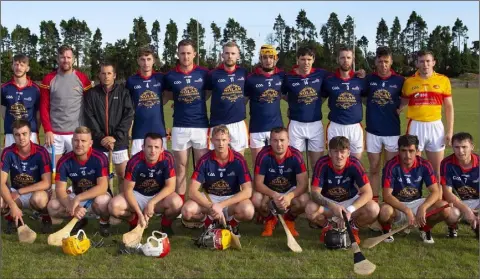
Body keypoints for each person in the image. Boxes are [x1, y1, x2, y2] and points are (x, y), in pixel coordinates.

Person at [181, 125, 254, 235]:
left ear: (229, 140)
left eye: (224, 140)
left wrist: (221, 205)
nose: (221, 144)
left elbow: (248, 191)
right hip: (210, 199)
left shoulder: (239, 160)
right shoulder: (204, 160)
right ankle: (208, 222)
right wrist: (211, 206)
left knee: (248, 211)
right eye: (217, 140)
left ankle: (232, 224)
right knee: (187, 211)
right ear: (211, 141)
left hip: (231, 199)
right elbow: (192, 191)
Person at [305, 136, 379, 244]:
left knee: (374, 209)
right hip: (329, 205)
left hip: (349, 202)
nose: (339, 156)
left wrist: (350, 210)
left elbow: (368, 193)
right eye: (335, 152)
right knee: (310, 209)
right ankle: (328, 227)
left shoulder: (355, 164)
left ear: (348, 153)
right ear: (329, 153)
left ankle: (353, 228)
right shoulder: (322, 163)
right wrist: (332, 206)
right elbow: (315, 193)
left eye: (342, 152)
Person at [378, 134, 450, 244]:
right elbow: (387, 195)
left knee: (444, 208)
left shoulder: (424, 165)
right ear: (398, 150)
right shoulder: (391, 165)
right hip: (397, 205)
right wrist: (406, 210)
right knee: (384, 211)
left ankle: (424, 228)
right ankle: (387, 229)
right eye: (403, 150)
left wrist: (423, 207)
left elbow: (435, 191)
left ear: (417, 150)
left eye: (411, 151)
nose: (407, 155)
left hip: (416, 202)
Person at [399, 50, 454, 189]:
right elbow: (402, 103)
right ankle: (412, 200)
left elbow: (449, 107)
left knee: (438, 170)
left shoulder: (443, 80)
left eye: (428, 61)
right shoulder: (409, 82)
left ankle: (440, 203)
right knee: (412, 168)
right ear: (417, 63)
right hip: (416, 126)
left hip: (435, 126)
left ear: (433, 62)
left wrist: (450, 131)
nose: (425, 64)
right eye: (422, 61)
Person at [163, 39, 210, 202]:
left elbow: (208, 93)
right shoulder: (170, 75)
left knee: (201, 167)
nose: (186, 56)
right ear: (178, 54)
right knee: (181, 167)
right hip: (180, 127)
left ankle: (201, 202)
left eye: (189, 53)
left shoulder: (204, 73)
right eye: (182, 53)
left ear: (194, 54)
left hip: (201, 126)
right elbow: (168, 96)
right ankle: (181, 204)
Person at [108, 133, 182, 235]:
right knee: (114, 206)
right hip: (137, 195)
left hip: (158, 195)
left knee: (177, 203)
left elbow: (171, 186)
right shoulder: (134, 162)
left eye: (156, 147)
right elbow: (128, 190)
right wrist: (139, 214)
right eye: (149, 146)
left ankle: (165, 225)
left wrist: (152, 202)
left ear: (162, 149)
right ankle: (134, 221)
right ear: (143, 147)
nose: (153, 150)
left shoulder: (167, 158)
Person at [46, 126, 112, 237]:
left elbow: (102, 187)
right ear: (72, 141)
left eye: (83, 141)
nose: (79, 144)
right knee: (53, 206)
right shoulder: (64, 161)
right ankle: (78, 219)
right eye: (76, 140)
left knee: (103, 201)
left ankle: (104, 223)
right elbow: (60, 190)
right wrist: (74, 207)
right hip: (77, 195)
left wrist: (78, 198)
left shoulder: (100, 157)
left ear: (90, 143)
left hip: (96, 197)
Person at [84, 62, 134, 192]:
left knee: (123, 176)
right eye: (103, 73)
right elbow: (89, 117)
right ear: (99, 75)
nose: (106, 76)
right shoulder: (92, 94)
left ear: (114, 75)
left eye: (109, 73)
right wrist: (102, 138)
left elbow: (128, 115)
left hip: (119, 143)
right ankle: (103, 208)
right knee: (100, 179)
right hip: (99, 144)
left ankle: (122, 206)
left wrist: (115, 137)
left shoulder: (124, 92)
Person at [364, 46, 405, 203]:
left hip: (392, 132)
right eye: (380, 62)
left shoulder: (400, 80)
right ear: (376, 61)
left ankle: (390, 203)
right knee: (374, 168)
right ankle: (374, 202)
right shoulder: (369, 79)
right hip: (373, 131)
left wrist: (401, 107)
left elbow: (408, 96)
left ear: (391, 62)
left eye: (386, 62)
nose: (383, 65)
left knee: (390, 170)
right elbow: (359, 95)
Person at [252, 127, 309, 237]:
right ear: (270, 142)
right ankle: (270, 220)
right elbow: (258, 183)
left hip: (289, 191)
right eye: (275, 140)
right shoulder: (263, 155)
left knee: (305, 200)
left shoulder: (296, 156)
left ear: (288, 141)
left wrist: (289, 196)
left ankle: (289, 220)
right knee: (256, 199)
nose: (279, 144)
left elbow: (304, 184)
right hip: (269, 192)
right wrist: (272, 195)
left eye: (282, 140)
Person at [40, 45, 92, 164]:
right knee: (53, 171)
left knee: (79, 170)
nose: (66, 60)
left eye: (68, 57)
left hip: (76, 133)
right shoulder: (48, 79)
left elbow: (89, 107)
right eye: (62, 57)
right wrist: (48, 130)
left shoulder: (83, 79)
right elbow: (44, 107)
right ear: (58, 59)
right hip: (54, 134)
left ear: (73, 59)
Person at [282, 47, 330, 171]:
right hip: (296, 125)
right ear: (297, 59)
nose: (306, 62)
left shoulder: (321, 74)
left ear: (313, 59)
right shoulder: (288, 77)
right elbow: (281, 93)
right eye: (303, 59)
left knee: (317, 165)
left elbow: (338, 77)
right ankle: (299, 190)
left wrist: (358, 74)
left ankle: (314, 190)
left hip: (315, 124)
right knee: (296, 165)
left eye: (309, 59)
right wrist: (294, 103)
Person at [0, 120, 52, 233]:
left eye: (24, 134)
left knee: (39, 199)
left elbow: (46, 183)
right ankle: (12, 218)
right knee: (1, 202)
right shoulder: (8, 152)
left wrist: (20, 192)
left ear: (30, 134)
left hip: (37, 191)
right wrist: (12, 205)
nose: (21, 138)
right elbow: (1, 182)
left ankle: (46, 218)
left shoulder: (41, 152)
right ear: (13, 136)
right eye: (17, 135)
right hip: (16, 191)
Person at [322, 46, 367, 160]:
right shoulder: (329, 80)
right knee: (335, 163)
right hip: (336, 126)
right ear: (338, 59)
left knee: (356, 163)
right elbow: (318, 100)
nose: (345, 60)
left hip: (355, 127)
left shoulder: (360, 80)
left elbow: (368, 101)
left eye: (348, 57)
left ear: (353, 60)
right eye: (342, 57)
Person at [244, 45, 285, 167]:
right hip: (257, 129)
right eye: (265, 57)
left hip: (276, 128)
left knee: (277, 166)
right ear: (260, 59)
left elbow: (289, 95)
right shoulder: (251, 78)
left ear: (276, 59)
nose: (268, 60)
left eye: (271, 57)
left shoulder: (282, 76)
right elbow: (242, 101)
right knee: (258, 167)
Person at [206, 41, 249, 156]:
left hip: (238, 123)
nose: (230, 56)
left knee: (239, 160)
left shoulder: (243, 72)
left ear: (238, 55)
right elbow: (205, 95)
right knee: (217, 160)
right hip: (218, 123)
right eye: (227, 53)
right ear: (222, 55)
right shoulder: (213, 74)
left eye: (233, 53)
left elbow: (248, 94)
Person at [126, 47, 167, 156]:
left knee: (160, 165)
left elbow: (170, 94)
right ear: (138, 61)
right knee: (136, 166)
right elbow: (128, 106)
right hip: (139, 132)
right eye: (143, 59)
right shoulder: (131, 81)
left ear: (153, 60)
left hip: (159, 131)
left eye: (149, 59)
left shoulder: (161, 78)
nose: (146, 63)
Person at [441, 132, 479, 238]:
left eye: (464, 147)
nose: (460, 151)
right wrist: (466, 210)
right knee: (451, 214)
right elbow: (447, 193)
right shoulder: (446, 163)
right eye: (457, 147)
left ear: (472, 147)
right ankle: (453, 226)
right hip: (457, 202)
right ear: (452, 147)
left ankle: (476, 225)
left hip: (477, 201)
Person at [1, 54, 41, 147]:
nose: (18, 67)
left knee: (33, 160)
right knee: (10, 160)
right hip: (11, 133)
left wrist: (32, 130)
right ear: (12, 66)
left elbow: (38, 115)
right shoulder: (4, 88)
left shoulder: (35, 89)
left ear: (27, 68)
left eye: (22, 65)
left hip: (31, 133)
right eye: (16, 64)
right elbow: (3, 113)